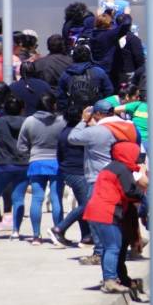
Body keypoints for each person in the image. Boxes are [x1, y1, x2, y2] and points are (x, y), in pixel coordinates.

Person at [68, 99, 138, 265]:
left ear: (98, 114)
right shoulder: (125, 128)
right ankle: (120, 248)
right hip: (119, 176)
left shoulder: (97, 131)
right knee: (117, 215)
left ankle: (100, 252)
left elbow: (72, 138)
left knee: (96, 217)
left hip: (98, 178)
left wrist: (83, 120)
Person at [83, 140, 147, 294]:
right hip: (107, 211)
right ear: (128, 154)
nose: (138, 157)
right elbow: (130, 192)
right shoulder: (122, 169)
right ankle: (110, 280)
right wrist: (143, 192)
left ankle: (110, 278)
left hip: (97, 211)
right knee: (113, 247)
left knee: (109, 247)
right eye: (136, 154)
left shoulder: (112, 167)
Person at [17, 93, 66, 244]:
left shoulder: (29, 121)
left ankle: (36, 235)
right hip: (56, 163)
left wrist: (29, 155)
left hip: (36, 162)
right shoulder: (62, 121)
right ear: (53, 105)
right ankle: (58, 233)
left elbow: (21, 146)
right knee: (56, 198)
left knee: (37, 199)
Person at [48, 106, 92, 247]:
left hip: (68, 171)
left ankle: (86, 237)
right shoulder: (79, 133)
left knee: (82, 204)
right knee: (86, 205)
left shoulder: (64, 132)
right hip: (78, 173)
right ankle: (59, 229)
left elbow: (59, 155)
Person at [0, 96, 28, 241]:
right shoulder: (27, 122)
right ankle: (16, 231)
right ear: (21, 109)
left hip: (1, 164)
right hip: (23, 163)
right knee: (18, 199)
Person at [57, 45, 114, 112]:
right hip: (95, 112)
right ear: (89, 57)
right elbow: (109, 90)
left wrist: (66, 111)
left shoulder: (66, 74)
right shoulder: (99, 72)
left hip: (74, 113)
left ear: (73, 58)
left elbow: (61, 96)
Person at [89, 8, 132, 80]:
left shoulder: (93, 34)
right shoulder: (110, 35)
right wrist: (127, 15)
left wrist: (105, 14)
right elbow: (126, 24)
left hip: (95, 68)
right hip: (109, 70)